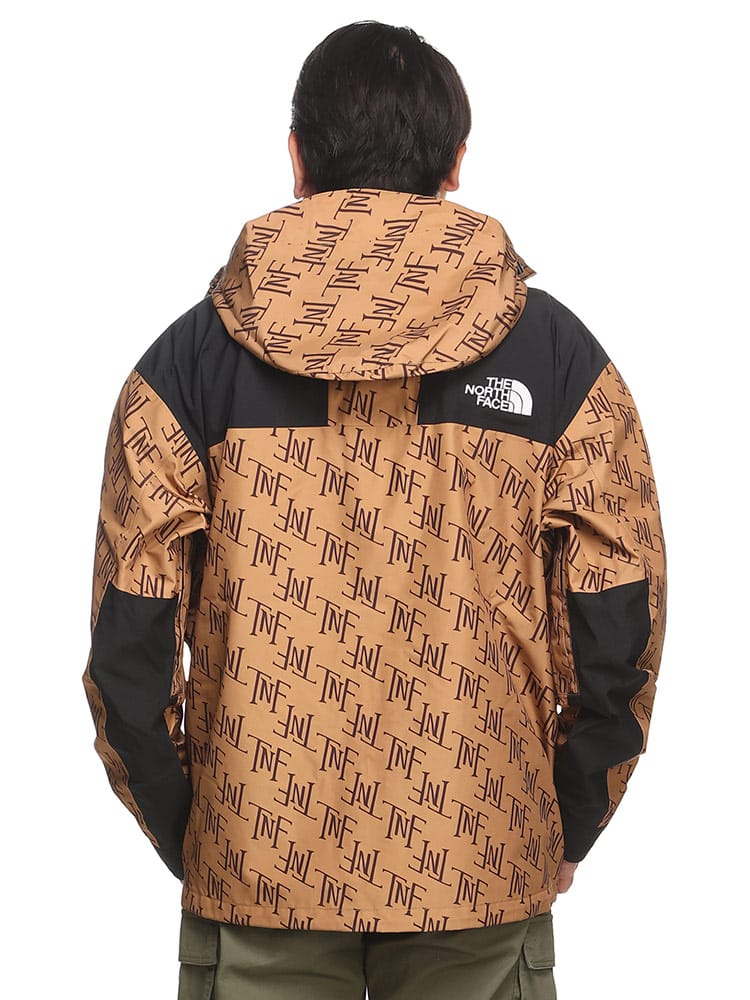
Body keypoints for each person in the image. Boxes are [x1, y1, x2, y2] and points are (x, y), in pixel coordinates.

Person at [82, 20, 667, 1000]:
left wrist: (207, 830)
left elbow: (127, 644)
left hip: (257, 867)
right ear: (456, 162)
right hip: (480, 864)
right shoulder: (561, 363)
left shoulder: (184, 367)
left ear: (296, 158)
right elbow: (622, 623)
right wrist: (561, 819)